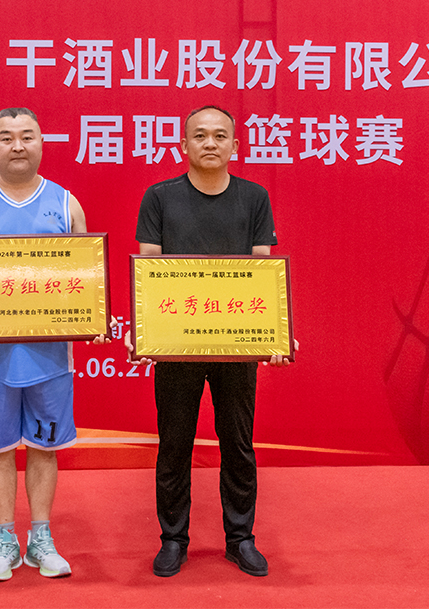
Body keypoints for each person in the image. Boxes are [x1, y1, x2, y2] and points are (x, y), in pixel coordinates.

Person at [133, 105, 292, 578]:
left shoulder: (254, 198)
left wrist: (275, 333)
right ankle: (173, 540)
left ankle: (240, 538)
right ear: (183, 145)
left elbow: (262, 270)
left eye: (220, 136)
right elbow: (149, 270)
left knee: (238, 444)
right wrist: (146, 331)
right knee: (174, 444)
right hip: (176, 344)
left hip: (235, 342)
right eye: (199, 135)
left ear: (234, 146)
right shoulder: (159, 198)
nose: (209, 143)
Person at [0, 108, 92, 581]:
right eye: (6, 137)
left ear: (42, 143)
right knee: (0, 448)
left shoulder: (66, 203)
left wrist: (89, 312)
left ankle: (41, 538)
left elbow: (86, 270)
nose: (17, 146)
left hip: (49, 355)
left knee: (45, 447)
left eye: (27, 136)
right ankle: (5, 539)